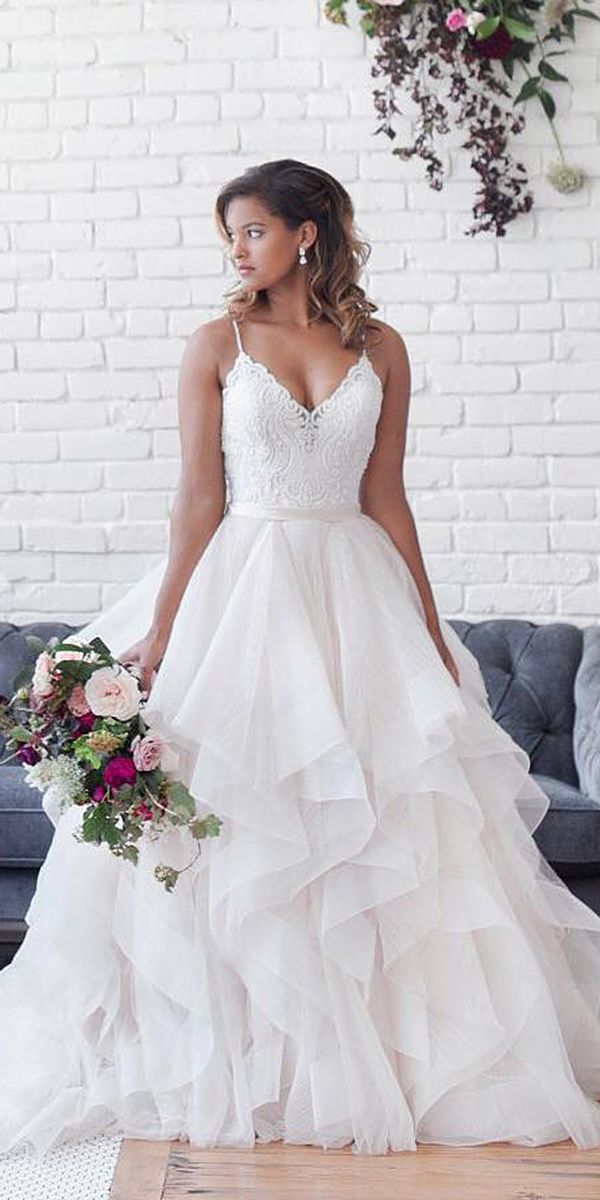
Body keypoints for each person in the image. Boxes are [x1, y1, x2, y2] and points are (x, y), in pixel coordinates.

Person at [2, 158, 600, 1160]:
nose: (236, 249)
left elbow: (388, 496)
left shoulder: (382, 347)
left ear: (305, 234)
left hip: (353, 592)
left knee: (384, 822)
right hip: (247, 588)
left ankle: (390, 1068)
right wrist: (163, 631)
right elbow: (197, 500)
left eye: (251, 230)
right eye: (231, 233)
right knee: (245, 826)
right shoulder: (216, 344)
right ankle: (240, 1059)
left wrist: (423, 621)